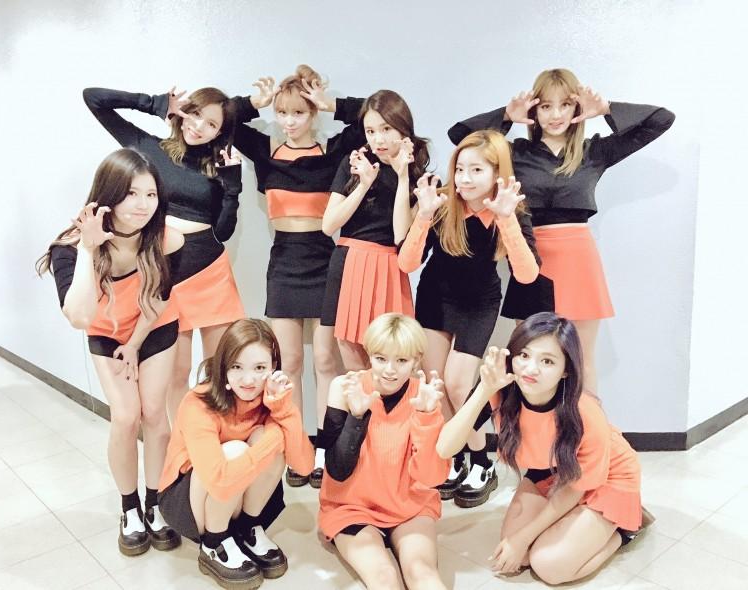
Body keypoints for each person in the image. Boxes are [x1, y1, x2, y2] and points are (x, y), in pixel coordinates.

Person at [448, 68, 675, 394]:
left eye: (565, 105)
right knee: (529, 358)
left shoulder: (594, 151)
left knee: (581, 360)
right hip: (530, 259)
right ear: (534, 111)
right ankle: (530, 425)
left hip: (578, 260)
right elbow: (460, 136)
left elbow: (662, 120)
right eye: (546, 106)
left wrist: (606, 108)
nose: (555, 115)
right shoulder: (515, 154)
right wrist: (507, 116)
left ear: (576, 108)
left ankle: (587, 426)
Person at [36, 148, 184, 556]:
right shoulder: (69, 246)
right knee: (125, 415)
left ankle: (155, 503)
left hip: (153, 326)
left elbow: (159, 299)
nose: (142, 205)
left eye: (150, 194)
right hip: (106, 331)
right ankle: (129, 507)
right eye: (131, 194)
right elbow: (80, 317)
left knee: (155, 414)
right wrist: (88, 249)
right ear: (109, 195)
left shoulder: (166, 238)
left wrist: (135, 344)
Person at [437, 313, 646, 584]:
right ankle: (577, 526)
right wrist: (483, 391)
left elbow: (576, 487)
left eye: (547, 361)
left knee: (548, 566)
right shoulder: (502, 389)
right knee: (520, 556)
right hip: (549, 470)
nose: (531, 369)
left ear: (566, 369)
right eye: (524, 355)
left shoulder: (584, 412)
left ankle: (624, 530)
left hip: (606, 478)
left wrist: (522, 538)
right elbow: (445, 448)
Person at [231, 65, 365, 488]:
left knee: (326, 360)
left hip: (325, 262)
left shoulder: (333, 153)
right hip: (284, 262)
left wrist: (331, 103)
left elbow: (376, 115)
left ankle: (325, 448)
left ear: (313, 114)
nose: (289, 121)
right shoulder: (266, 152)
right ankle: (296, 449)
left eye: (299, 113)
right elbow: (223, 121)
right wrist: (251, 104)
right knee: (288, 362)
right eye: (282, 113)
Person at [83, 84, 245, 420]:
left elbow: (224, 232)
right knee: (177, 373)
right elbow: (93, 99)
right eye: (195, 114)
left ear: (220, 133)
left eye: (211, 124)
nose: (198, 126)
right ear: (183, 111)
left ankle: (211, 436)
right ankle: (181, 442)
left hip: (211, 273)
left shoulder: (219, 168)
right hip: (167, 271)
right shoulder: (149, 148)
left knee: (219, 369)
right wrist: (154, 103)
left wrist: (232, 187)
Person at [398, 129, 539, 507]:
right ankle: (454, 455)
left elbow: (527, 274)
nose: (464, 178)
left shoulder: (510, 210)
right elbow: (407, 263)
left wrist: (506, 219)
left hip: (478, 303)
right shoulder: (443, 204)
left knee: (460, 386)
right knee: (436, 383)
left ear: (497, 172)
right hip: (435, 298)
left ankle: (481, 460)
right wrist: (423, 215)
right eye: (460, 169)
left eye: (476, 170)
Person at [158, 319, 314, 589]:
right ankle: (214, 543)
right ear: (223, 366)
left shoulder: (270, 398)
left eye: (260, 368)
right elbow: (219, 481)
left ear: (273, 368)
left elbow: (304, 466)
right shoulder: (198, 403)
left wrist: (283, 409)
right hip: (188, 498)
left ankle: (248, 529)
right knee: (238, 449)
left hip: (238, 495)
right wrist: (276, 438)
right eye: (237, 367)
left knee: (264, 438)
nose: (249, 380)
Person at [319, 313, 450, 590]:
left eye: (401, 361)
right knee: (384, 578)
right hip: (351, 506)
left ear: (416, 361)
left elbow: (432, 477)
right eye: (380, 358)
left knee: (422, 573)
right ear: (369, 354)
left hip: (409, 504)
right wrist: (356, 417)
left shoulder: (423, 395)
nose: (389, 370)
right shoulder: (345, 387)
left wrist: (427, 416)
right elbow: (337, 471)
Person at [321, 90, 430, 371]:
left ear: (403, 129)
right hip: (348, 262)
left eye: (386, 129)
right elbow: (328, 225)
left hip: (389, 268)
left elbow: (401, 236)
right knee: (353, 363)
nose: (378, 139)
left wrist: (403, 176)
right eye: (370, 131)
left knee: (392, 359)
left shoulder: (418, 176)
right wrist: (363, 185)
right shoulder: (355, 163)